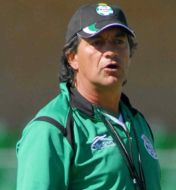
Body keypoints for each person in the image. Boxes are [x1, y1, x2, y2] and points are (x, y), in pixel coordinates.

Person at [16, 3, 161, 190]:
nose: (111, 52)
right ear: (72, 57)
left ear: (130, 54)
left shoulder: (137, 121)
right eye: (97, 42)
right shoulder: (52, 128)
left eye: (119, 42)